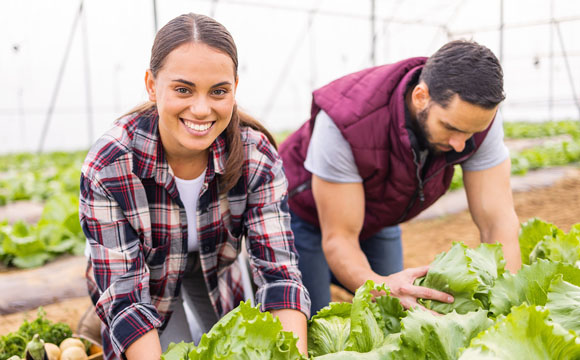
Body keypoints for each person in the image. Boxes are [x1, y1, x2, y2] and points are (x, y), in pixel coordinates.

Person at [79, 13, 309, 360]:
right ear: (152, 85)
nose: (201, 109)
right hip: (140, 272)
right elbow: (127, 300)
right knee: (171, 350)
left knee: (223, 348)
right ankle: (94, 320)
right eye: (183, 89)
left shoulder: (254, 155)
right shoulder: (110, 165)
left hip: (213, 265)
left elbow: (279, 273)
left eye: (218, 91)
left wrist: (295, 356)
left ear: (234, 88)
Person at [279, 40, 522, 315]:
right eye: (450, 128)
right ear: (421, 97)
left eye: (472, 132)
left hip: (378, 212)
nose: (460, 144)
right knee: (314, 316)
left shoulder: (474, 120)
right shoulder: (346, 121)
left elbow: (498, 223)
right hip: (302, 215)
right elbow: (340, 239)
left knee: (395, 311)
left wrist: (507, 306)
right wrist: (379, 286)